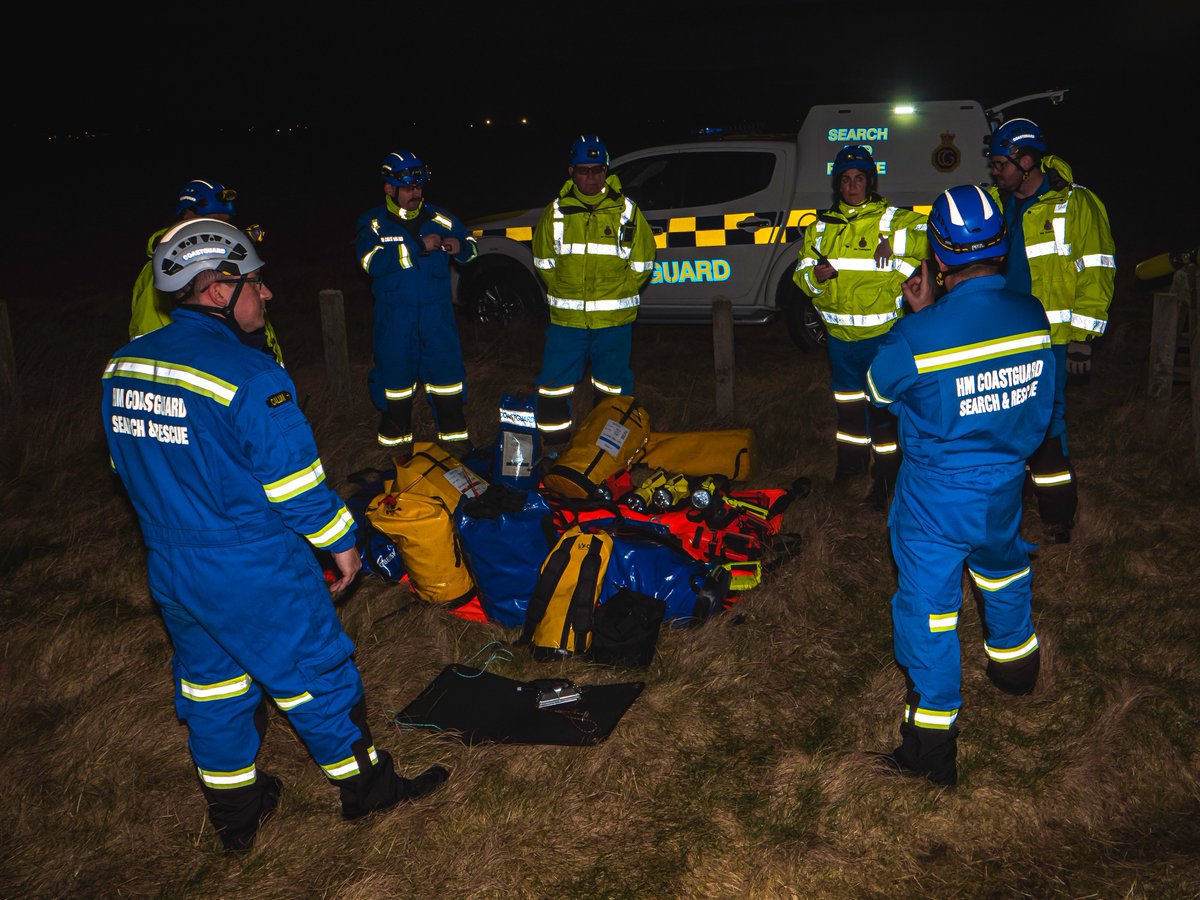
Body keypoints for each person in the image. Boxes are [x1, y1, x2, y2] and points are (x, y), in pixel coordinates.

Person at [103, 218, 449, 852]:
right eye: (255, 284)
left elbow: (126, 468)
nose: (267, 296)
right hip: (250, 566)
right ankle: (368, 793)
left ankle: (237, 818)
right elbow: (295, 485)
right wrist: (342, 543)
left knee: (212, 689)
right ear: (216, 291)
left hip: (172, 566)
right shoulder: (254, 376)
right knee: (317, 675)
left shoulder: (122, 367)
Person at [865, 185, 1055, 786]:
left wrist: (918, 318)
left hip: (934, 499)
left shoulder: (917, 336)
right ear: (1001, 246)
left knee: (929, 616)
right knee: (1003, 569)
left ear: (937, 259)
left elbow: (876, 388)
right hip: (1005, 486)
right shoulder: (1031, 315)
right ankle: (1017, 666)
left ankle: (929, 753)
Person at [987, 118, 1115, 542]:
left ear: (1026, 160)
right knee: (1005, 417)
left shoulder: (1075, 204)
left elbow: (1097, 270)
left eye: (1001, 163)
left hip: (1053, 339)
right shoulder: (996, 202)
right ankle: (1012, 503)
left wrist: (1082, 339)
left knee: (1047, 424)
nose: (995, 170)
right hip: (1003, 336)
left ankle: (1058, 518)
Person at [793, 145, 928, 507]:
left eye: (859, 179)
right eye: (846, 180)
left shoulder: (892, 219)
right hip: (839, 341)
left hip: (882, 339)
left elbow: (935, 236)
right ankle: (849, 470)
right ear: (838, 185)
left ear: (870, 182)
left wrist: (896, 241)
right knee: (848, 412)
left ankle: (886, 481)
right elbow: (800, 276)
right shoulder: (820, 228)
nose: (852, 186)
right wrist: (816, 278)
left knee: (883, 414)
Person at [531, 134, 656, 444]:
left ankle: (606, 453)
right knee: (553, 388)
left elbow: (643, 263)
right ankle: (554, 451)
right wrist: (566, 292)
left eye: (597, 170)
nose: (591, 177)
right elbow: (543, 262)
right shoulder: (556, 212)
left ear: (606, 170)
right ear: (571, 171)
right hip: (567, 323)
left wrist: (620, 292)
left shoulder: (626, 211)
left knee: (613, 390)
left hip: (614, 324)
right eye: (584, 170)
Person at [355, 151, 477, 451]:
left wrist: (460, 247)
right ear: (389, 188)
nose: (416, 193)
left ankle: (455, 447)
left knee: (447, 379)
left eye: (419, 187)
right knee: (395, 383)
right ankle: (395, 450)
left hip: (438, 320)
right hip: (395, 320)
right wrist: (418, 246)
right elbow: (370, 262)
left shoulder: (440, 218)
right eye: (409, 188)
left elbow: (472, 248)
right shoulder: (373, 223)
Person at [130, 179, 284, 365]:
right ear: (187, 216)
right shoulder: (167, 269)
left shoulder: (228, 263)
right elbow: (149, 343)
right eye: (213, 221)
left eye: (226, 223)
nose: (221, 230)